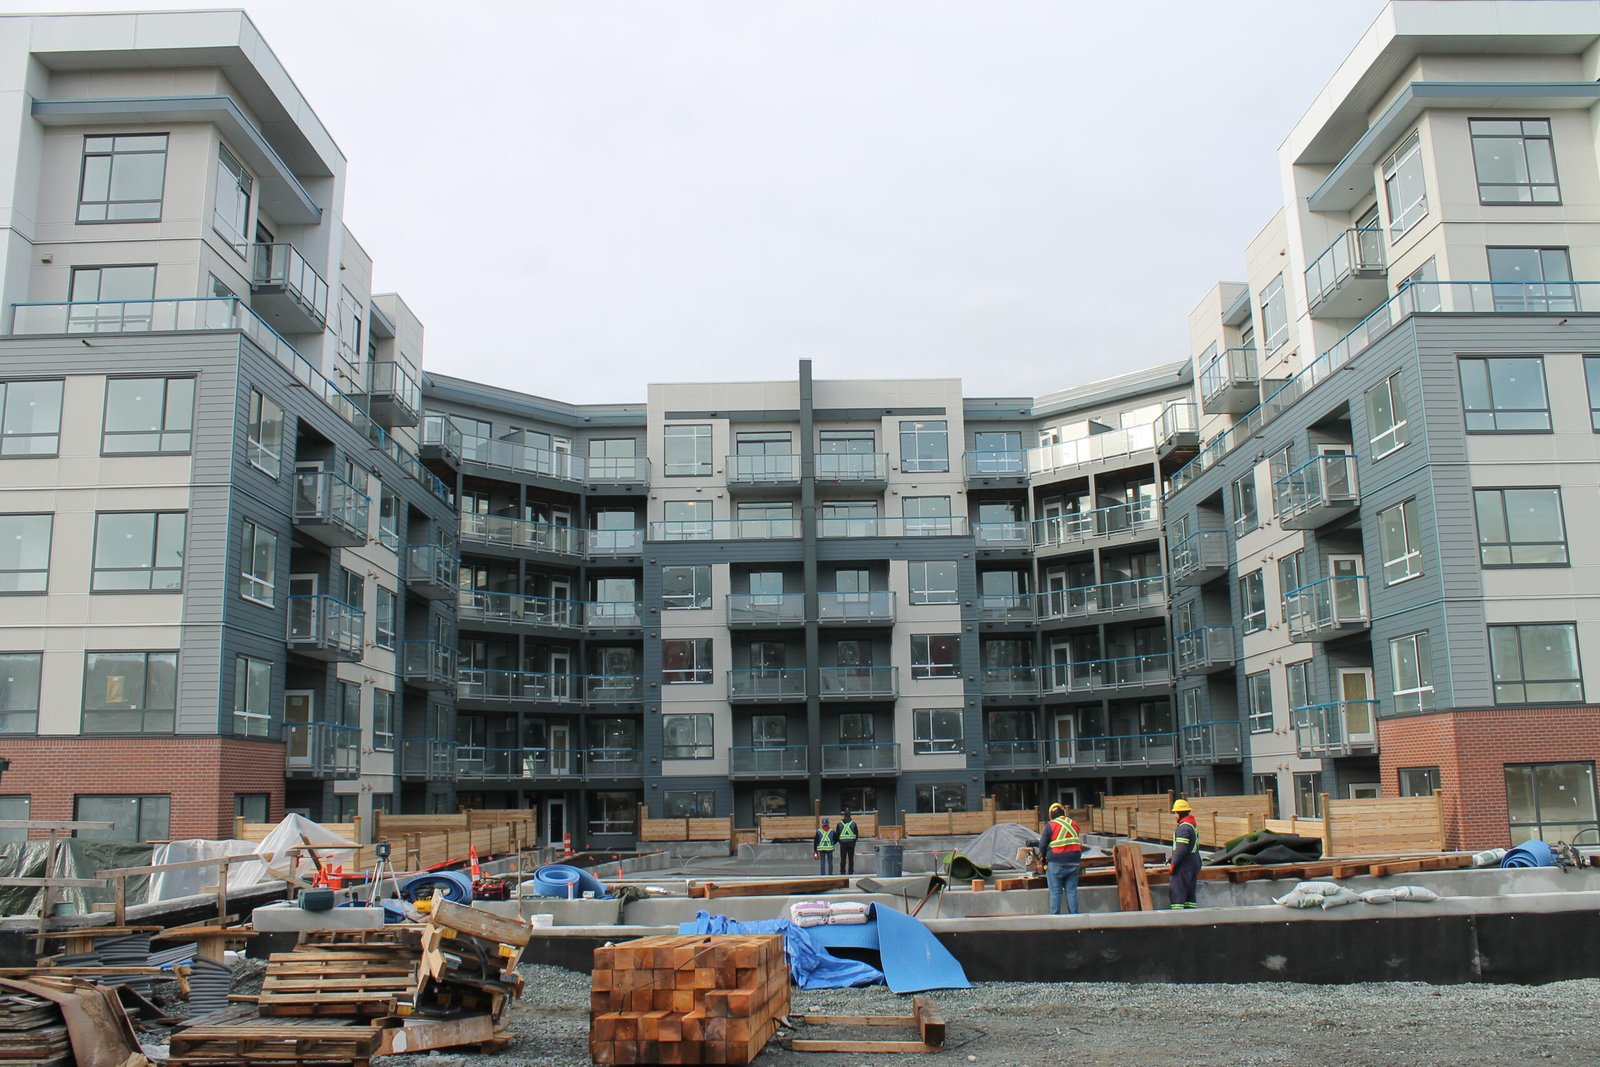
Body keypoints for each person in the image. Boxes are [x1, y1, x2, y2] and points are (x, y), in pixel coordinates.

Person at [1037, 802, 1083, 915]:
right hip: (1074, 862)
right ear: (1064, 813)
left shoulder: (1050, 825)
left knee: (1056, 892)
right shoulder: (1074, 824)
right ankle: (1075, 918)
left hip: (1056, 862)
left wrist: (1043, 858)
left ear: (1051, 815)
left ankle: (1055, 919)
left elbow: (1042, 845)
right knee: (1071, 891)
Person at [1169, 798, 1201, 909]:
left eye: (1175, 813)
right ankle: (1190, 915)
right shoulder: (1191, 826)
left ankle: (1177, 916)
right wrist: (1172, 857)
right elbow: (1188, 847)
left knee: (1177, 893)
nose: (1174, 816)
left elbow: (1181, 849)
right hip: (1193, 865)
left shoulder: (1183, 828)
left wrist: (1173, 864)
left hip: (1183, 867)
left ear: (1180, 813)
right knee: (1189, 896)